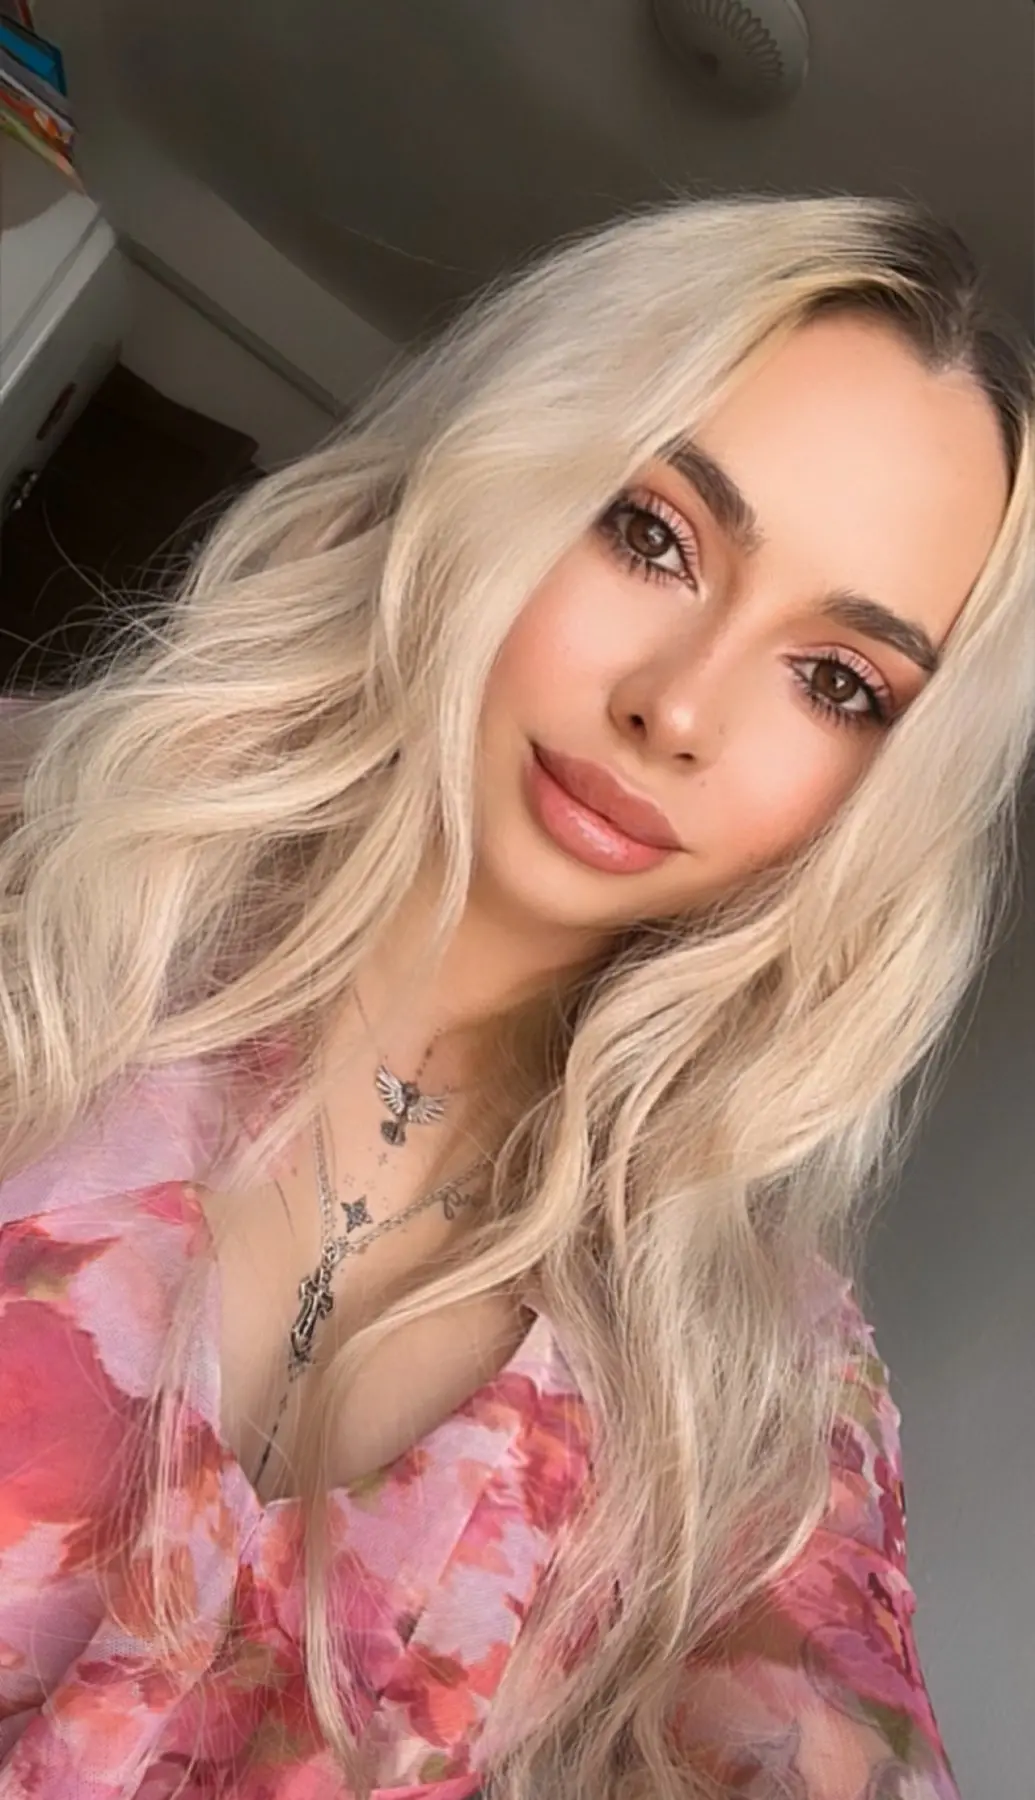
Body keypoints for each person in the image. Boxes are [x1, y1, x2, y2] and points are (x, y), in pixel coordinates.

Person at [0, 192, 1031, 1800]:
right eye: (652, 535)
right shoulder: (35, 857)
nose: (675, 709)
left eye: (837, 681)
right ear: (508, 470)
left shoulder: (752, 1383)